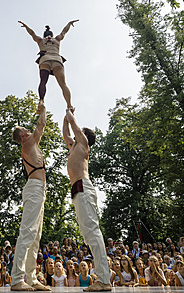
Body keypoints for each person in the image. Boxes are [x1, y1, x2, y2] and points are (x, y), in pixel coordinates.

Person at [63, 108, 111, 291]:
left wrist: (70, 113)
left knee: (93, 232)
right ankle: (103, 279)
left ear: (84, 135)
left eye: (80, 132)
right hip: (76, 190)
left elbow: (74, 129)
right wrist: (65, 119)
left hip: (84, 186)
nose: (76, 134)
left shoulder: (83, 143)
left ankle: (104, 280)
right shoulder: (74, 146)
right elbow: (67, 133)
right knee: (87, 235)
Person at [10, 100, 50, 291]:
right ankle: (17, 279)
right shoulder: (27, 144)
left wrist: (42, 111)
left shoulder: (32, 145)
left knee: (35, 237)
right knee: (27, 233)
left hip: (39, 189)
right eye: (26, 130)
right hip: (34, 188)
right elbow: (41, 125)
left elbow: (40, 127)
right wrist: (43, 109)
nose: (29, 130)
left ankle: (32, 278)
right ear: (23, 135)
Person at [18, 20, 78, 109]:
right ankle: (69, 105)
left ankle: (41, 100)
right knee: (63, 84)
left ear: (44, 35)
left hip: (45, 60)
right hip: (57, 60)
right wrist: (69, 24)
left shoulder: (40, 40)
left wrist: (26, 26)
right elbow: (64, 31)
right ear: (52, 34)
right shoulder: (57, 39)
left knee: (43, 81)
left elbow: (32, 33)